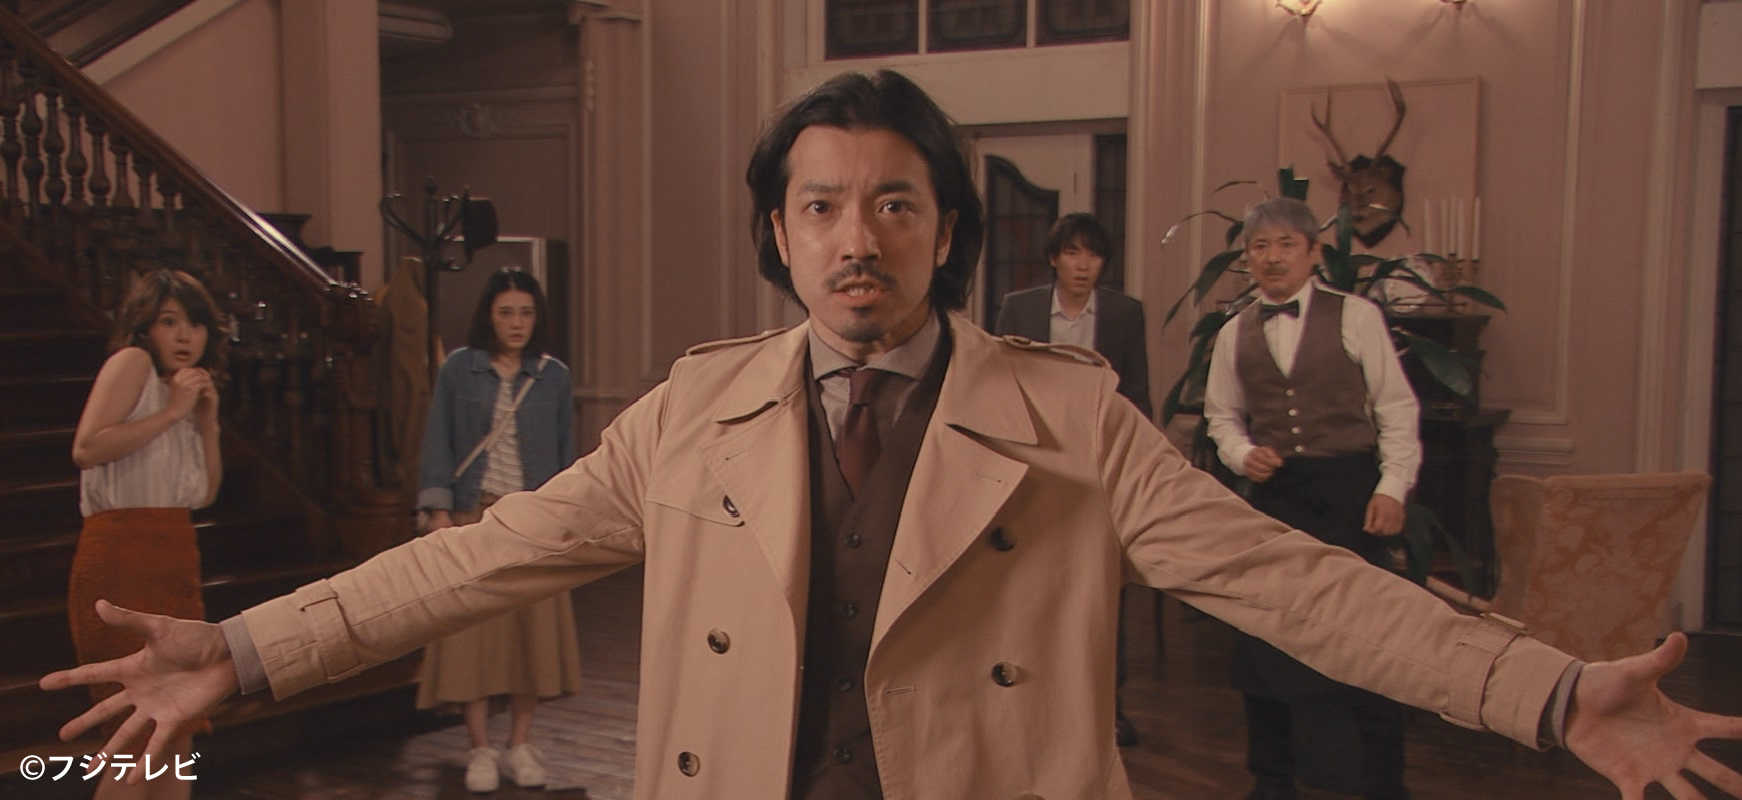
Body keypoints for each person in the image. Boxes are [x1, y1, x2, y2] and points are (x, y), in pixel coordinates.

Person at [41, 70, 1742, 800]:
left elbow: (1289, 583)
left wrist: (1546, 693)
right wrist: (243, 654)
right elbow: (473, 560)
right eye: (821, 206)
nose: (857, 239)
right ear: (777, 235)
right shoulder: (689, 413)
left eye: (897, 205)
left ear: (949, 232)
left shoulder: (1068, 418)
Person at [1203, 196, 1422, 799]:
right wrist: (1242, 454)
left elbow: (1396, 409)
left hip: (1351, 494)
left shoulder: (1357, 317)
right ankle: (1272, 782)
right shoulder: (1234, 332)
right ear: (1247, 257)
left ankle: (1383, 785)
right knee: (1264, 640)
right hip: (1277, 500)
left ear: (1313, 253)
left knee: (1368, 641)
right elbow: (1221, 418)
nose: (1272, 258)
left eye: (1285, 245)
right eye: (1260, 247)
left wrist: (1391, 488)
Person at [416, 267, 582, 792]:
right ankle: (479, 747)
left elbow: (567, 456)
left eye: (526, 313)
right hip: (475, 516)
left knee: (532, 638)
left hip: (532, 521)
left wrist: (566, 521)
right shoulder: (459, 370)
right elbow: (438, 440)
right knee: (473, 639)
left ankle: (520, 744)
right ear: (489, 315)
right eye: (506, 312)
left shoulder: (553, 376)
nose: (516, 323)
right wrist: (438, 511)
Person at [993, 211, 1152, 747]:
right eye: (1072, 253)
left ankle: (1108, 707)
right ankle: (1034, 703)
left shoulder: (1125, 314)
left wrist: (1132, 467)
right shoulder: (1020, 309)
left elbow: (1138, 396)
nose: (1083, 265)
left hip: (1100, 462)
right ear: (1054, 259)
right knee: (1033, 585)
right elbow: (997, 390)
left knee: (1102, 584)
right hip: (1036, 462)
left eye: (1093, 255)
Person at [66, 269, 225, 800]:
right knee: (135, 735)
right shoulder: (131, 363)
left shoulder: (185, 387)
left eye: (196, 324)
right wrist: (174, 411)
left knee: (176, 732)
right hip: (121, 558)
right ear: (145, 327)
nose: (185, 336)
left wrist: (205, 420)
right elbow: (87, 447)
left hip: (175, 561)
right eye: (169, 322)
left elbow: (203, 493)